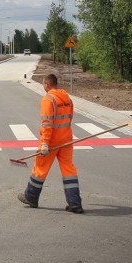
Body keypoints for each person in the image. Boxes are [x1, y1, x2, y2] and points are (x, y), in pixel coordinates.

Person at [18, 73, 83, 213]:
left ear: (47, 84)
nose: (43, 87)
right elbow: (69, 118)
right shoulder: (67, 98)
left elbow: (47, 124)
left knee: (40, 168)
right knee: (68, 170)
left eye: (43, 84)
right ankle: (75, 203)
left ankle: (31, 197)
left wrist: (45, 144)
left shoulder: (48, 100)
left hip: (52, 141)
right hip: (66, 139)